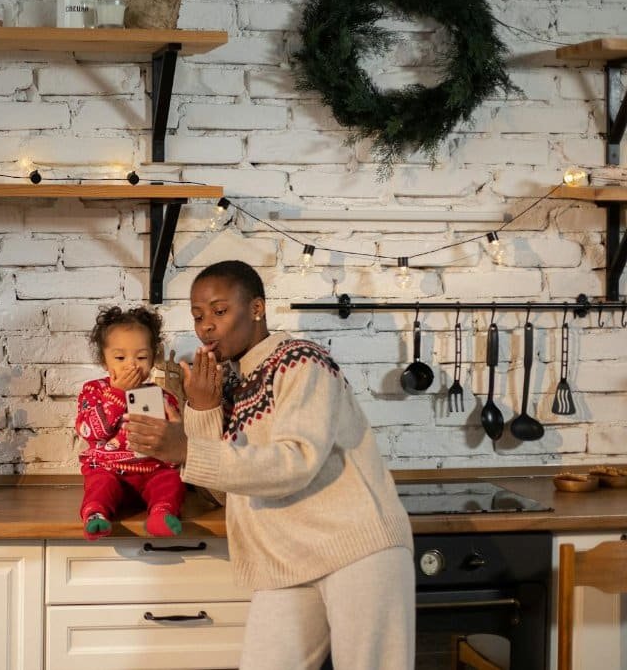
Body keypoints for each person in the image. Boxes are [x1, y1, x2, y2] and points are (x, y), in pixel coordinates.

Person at [123, 260, 415, 670]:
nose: (206, 326)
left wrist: (187, 449)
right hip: (286, 558)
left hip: (357, 549)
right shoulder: (229, 383)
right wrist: (203, 408)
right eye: (198, 315)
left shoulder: (302, 360)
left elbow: (296, 463)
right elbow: (227, 488)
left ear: (257, 307)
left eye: (220, 311)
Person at [74, 306, 184, 541]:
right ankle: (95, 514)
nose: (131, 365)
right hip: (109, 470)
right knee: (99, 482)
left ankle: (161, 513)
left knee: (171, 480)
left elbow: (173, 443)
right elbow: (91, 432)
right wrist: (117, 394)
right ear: (104, 361)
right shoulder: (94, 391)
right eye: (120, 357)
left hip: (151, 471)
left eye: (141, 357)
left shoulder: (163, 396)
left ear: (153, 359)